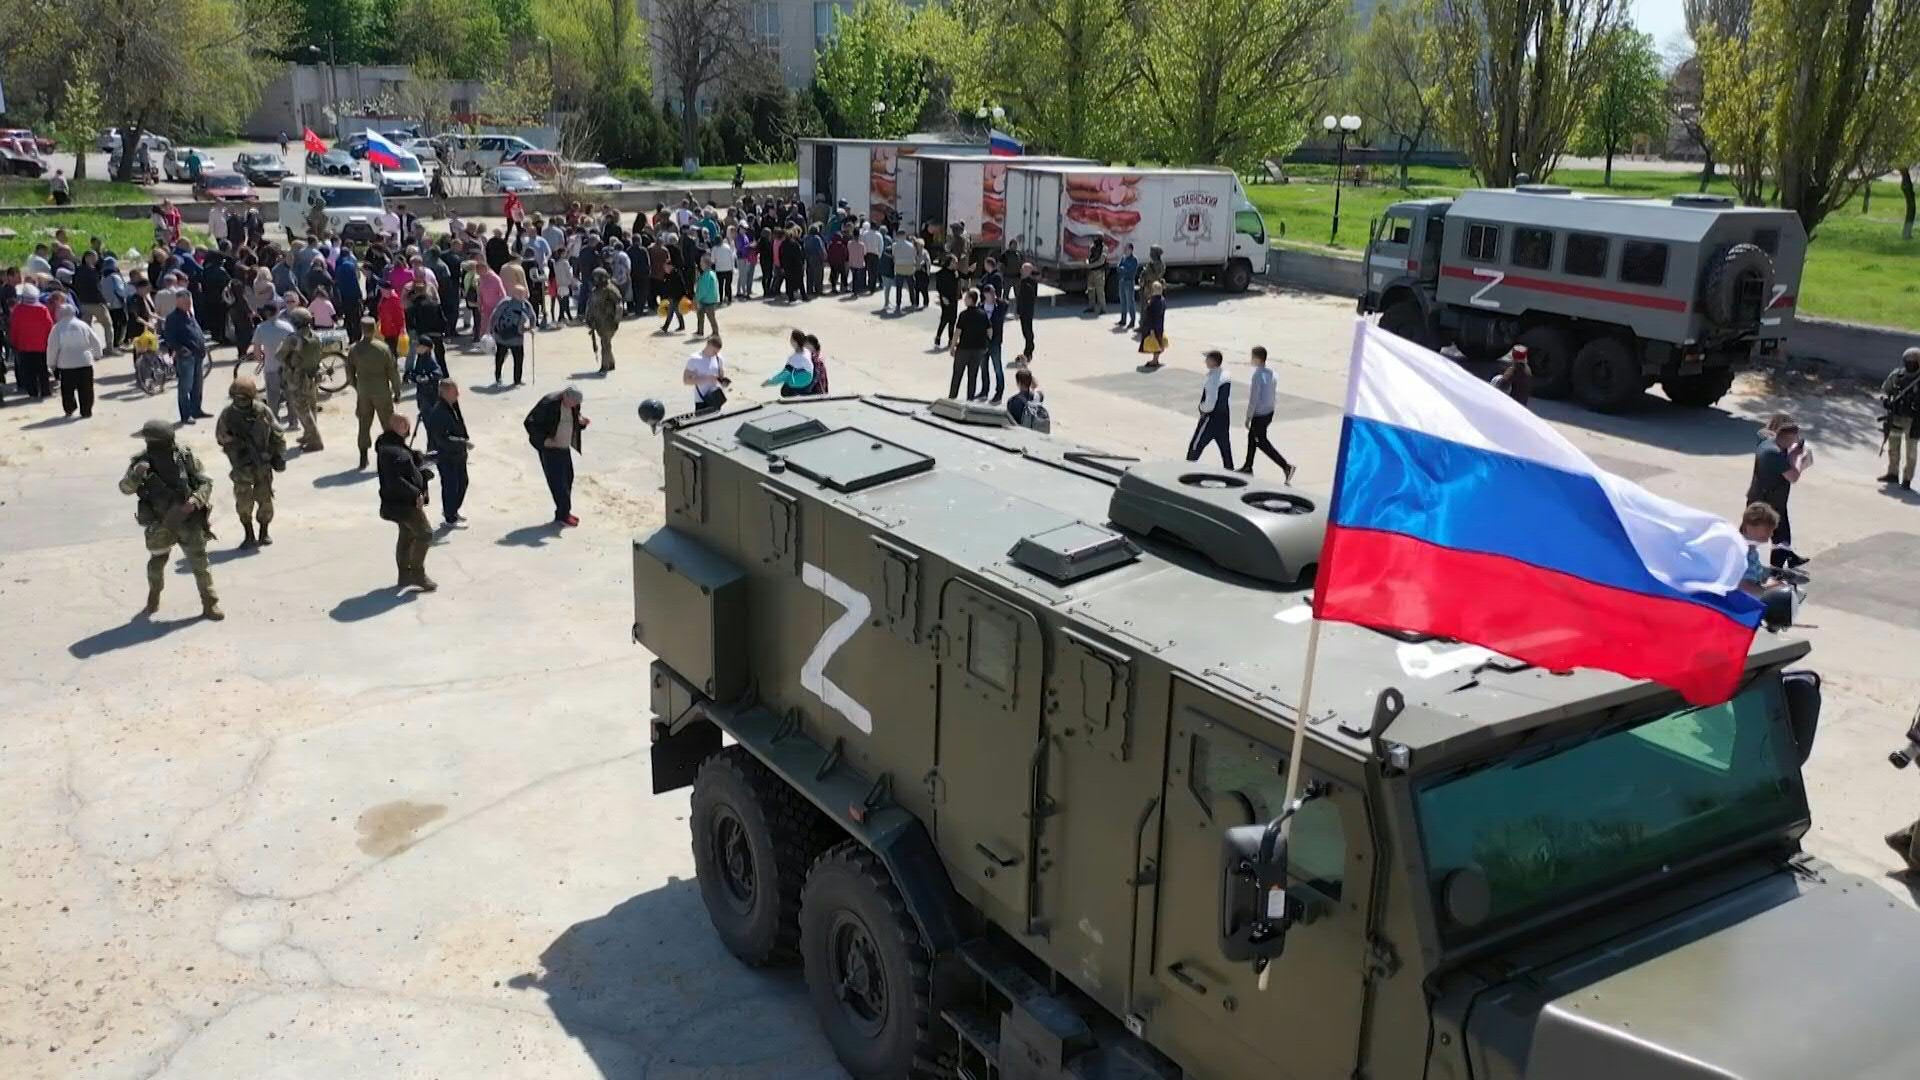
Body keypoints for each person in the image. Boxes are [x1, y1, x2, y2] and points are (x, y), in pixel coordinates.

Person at [120, 419, 222, 619]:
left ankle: (210, 603)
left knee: (200, 563)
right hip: (159, 523)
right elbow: (125, 488)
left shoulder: (184, 456)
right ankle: (154, 595)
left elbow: (206, 482)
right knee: (157, 561)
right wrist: (136, 475)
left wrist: (194, 501)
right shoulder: (140, 462)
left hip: (188, 519)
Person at [214, 374, 286, 549]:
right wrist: (236, 444)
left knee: (265, 498)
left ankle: (264, 531)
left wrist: (279, 455)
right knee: (244, 501)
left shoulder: (262, 411)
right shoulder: (228, 415)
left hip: (262, 463)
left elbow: (278, 433)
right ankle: (248, 534)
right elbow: (220, 437)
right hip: (241, 465)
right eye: (237, 398)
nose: (240, 401)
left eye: (244, 398)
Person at [375, 414, 436, 592]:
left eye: (407, 424)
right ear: (394, 426)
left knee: (407, 535)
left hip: (397, 502)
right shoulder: (391, 451)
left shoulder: (392, 446)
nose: (407, 427)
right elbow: (396, 479)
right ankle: (417, 574)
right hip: (403, 503)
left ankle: (404, 575)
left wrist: (417, 460)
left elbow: (405, 463)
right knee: (425, 534)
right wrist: (416, 492)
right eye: (403, 424)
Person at [1746, 415, 1811, 569]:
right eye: (1794, 439)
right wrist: (1798, 458)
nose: (1795, 442)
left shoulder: (1767, 442)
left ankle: (1786, 560)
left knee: (1781, 535)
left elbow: (1764, 432)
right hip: (1767, 503)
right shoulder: (1773, 453)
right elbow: (1793, 476)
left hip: (1770, 499)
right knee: (1755, 536)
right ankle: (1774, 570)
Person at [524, 387, 589, 526]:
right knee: (558, 483)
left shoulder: (574, 404)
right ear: (565, 396)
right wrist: (544, 441)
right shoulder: (549, 403)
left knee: (568, 478)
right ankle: (563, 515)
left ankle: (564, 512)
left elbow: (574, 420)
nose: (574, 406)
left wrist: (581, 423)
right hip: (550, 449)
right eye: (572, 403)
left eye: (576, 404)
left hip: (564, 448)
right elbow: (529, 423)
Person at [345, 320, 402, 469]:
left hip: (364, 391)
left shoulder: (354, 349)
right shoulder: (383, 348)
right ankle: (390, 457)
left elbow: (349, 374)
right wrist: (397, 391)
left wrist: (357, 387)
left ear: (362, 329)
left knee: (364, 424)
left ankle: (363, 458)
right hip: (382, 391)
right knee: (388, 425)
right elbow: (393, 372)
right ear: (375, 328)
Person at [1238, 346, 1295, 481]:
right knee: (1252, 438)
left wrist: (1248, 416)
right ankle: (1248, 466)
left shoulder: (1257, 375)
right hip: (1269, 411)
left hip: (1260, 414)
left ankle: (1286, 466)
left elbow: (1254, 398)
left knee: (1261, 442)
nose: (1251, 360)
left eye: (1252, 357)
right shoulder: (1271, 373)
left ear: (1257, 359)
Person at [422, 379, 472, 527]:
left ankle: (452, 511)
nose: (458, 394)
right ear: (443, 393)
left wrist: (464, 438)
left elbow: (460, 424)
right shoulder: (438, 412)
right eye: (453, 391)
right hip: (447, 456)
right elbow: (441, 439)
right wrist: (462, 442)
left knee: (462, 482)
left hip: (459, 454)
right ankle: (450, 517)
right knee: (450, 485)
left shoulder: (453, 406)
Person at [48, 293, 106, 418]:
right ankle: (86, 410)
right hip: (85, 362)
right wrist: (98, 354)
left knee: (67, 390)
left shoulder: (57, 328)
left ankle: (70, 408)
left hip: (66, 364)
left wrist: (51, 363)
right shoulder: (83, 325)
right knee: (86, 389)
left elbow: (52, 347)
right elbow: (95, 340)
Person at [162, 288, 210, 423]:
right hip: (186, 358)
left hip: (198, 355)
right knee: (185, 386)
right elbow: (170, 338)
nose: (188, 305)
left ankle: (197, 410)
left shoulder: (190, 314)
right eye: (185, 302)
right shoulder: (173, 318)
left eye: (189, 302)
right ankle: (185, 414)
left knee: (197, 385)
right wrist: (182, 350)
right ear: (178, 302)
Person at [282, 308, 326, 451]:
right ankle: (308, 434)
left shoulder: (293, 339)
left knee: (302, 409)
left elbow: (280, 355)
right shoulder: (315, 336)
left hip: (298, 378)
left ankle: (315, 440)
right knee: (311, 406)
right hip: (312, 375)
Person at [1879, 348, 1920, 490]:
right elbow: (1885, 389)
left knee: (1911, 451)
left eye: (1913, 362)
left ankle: (1907, 479)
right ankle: (1892, 473)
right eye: (1907, 361)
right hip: (1896, 416)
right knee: (1893, 447)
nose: (1909, 364)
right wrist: (1885, 400)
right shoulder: (1897, 375)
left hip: (1913, 420)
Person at [1187, 350, 1234, 469]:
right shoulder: (1226, 375)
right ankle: (1230, 470)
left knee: (1196, 445)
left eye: (1207, 359)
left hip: (1211, 417)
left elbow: (1210, 401)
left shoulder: (1212, 379)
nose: (1205, 361)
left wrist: (1202, 408)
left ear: (1213, 361)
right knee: (1224, 446)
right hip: (1224, 416)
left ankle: (1186, 468)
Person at [8, 283, 53, 400]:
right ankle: (45, 391)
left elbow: (14, 328)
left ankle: (32, 392)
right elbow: (49, 327)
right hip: (41, 346)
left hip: (24, 347)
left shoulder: (18, 310)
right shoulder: (42, 309)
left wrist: (13, 343)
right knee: (43, 370)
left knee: (29, 371)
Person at [949, 289, 991, 401]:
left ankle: (952, 397)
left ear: (971, 300)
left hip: (964, 349)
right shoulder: (983, 314)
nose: (964, 299)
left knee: (957, 374)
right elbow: (989, 330)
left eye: (966, 298)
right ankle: (970, 399)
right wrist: (986, 343)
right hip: (978, 349)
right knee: (973, 375)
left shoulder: (963, 315)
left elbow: (957, 332)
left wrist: (952, 346)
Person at [491, 285, 535, 385]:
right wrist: (492, 329)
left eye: (522, 293)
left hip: (517, 337)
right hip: (502, 335)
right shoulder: (505, 302)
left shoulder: (526, 305)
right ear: (513, 294)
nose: (521, 295)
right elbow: (495, 315)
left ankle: (517, 380)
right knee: (500, 358)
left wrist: (530, 328)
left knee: (518, 359)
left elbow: (532, 316)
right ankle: (498, 377)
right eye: (518, 293)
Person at [586, 268, 622, 373]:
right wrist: (589, 318)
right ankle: (611, 363)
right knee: (606, 343)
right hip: (598, 322)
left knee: (605, 343)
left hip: (609, 321)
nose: (596, 280)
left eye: (597, 278)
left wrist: (616, 320)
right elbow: (590, 305)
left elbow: (619, 305)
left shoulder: (610, 290)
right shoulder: (595, 290)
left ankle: (604, 365)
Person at [978, 285, 1007, 404]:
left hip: (995, 341)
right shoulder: (980, 306)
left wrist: (997, 300)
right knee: (983, 367)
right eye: (989, 294)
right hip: (983, 342)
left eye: (993, 293)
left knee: (997, 368)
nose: (991, 296)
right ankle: (984, 390)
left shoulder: (1001, 305)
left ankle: (999, 392)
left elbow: (1002, 313)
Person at [685, 335, 730, 410]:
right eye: (714, 351)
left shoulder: (719, 358)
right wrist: (706, 379)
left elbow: (720, 376)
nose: (715, 354)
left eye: (717, 352)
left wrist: (723, 382)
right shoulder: (694, 359)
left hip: (715, 399)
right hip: (701, 400)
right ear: (708, 345)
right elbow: (686, 380)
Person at [1137, 281, 1168, 369]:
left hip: (1153, 325)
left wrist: (1151, 329)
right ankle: (1156, 359)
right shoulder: (1162, 300)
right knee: (1158, 341)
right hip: (1160, 325)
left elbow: (1150, 316)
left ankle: (1154, 360)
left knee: (1154, 342)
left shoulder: (1153, 302)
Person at [1014, 263, 1039, 368]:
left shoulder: (1028, 283)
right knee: (1026, 331)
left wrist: (1018, 311)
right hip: (1027, 310)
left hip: (1026, 311)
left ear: (1028, 271)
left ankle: (1028, 351)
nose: (1021, 271)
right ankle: (1028, 349)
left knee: (1027, 331)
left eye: (1023, 269)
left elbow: (1023, 299)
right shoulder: (1027, 282)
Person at [933, 257, 961, 349]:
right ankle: (938, 337)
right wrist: (942, 297)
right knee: (945, 318)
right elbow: (939, 287)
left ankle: (951, 339)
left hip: (954, 298)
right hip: (945, 298)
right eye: (955, 262)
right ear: (950, 263)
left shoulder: (955, 273)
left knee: (953, 319)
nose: (956, 264)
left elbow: (958, 282)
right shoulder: (941, 273)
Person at [694, 257, 722, 336]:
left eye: (701, 263)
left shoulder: (706, 275)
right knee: (702, 315)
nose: (700, 264)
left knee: (710, 317)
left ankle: (714, 333)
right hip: (711, 299)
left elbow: (703, 290)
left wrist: (697, 298)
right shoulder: (712, 273)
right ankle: (700, 331)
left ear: (706, 264)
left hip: (707, 300)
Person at [1115, 243, 1140, 329]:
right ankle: (1123, 319)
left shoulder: (1134, 259)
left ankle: (1132, 321)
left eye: (1127, 249)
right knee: (1123, 302)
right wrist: (1121, 269)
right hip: (1122, 281)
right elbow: (1118, 267)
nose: (1125, 250)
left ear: (1131, 250)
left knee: (1130, 302)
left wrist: (1123, 269)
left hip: (1129, 282)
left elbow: (1131, 270)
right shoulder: (1123, 258)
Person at [1083, 236, 1108, 317]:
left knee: (1100, 291)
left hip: (1099, 272)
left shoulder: (1104, 248)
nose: (1094, 239)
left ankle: (1103, 308)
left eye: (1096, 238)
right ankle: (1091, 306)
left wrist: (1090, 266)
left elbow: (1101, 261)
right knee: (1090, 290)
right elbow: (1088, 257)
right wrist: (1087, 262)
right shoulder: (1092, 247)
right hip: (1091, 272)